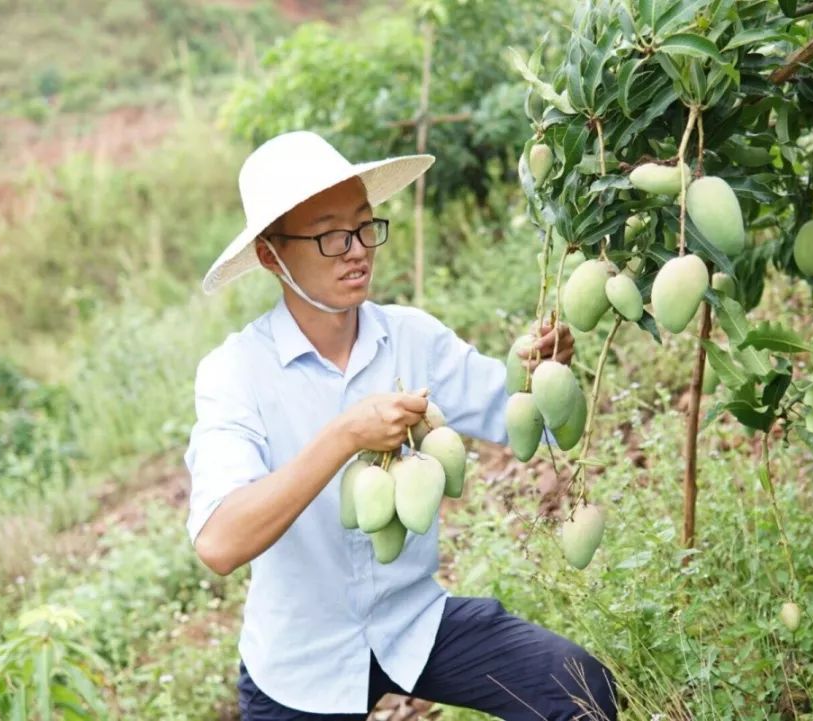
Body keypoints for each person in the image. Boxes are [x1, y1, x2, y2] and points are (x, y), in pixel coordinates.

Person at [184, 130, 619, 721]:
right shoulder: (236, 373)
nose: (358, 249)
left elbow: (534, 427)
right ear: (270, 254)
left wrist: (547, 375)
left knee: (576, 688)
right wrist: (344, 436)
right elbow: (219, 542)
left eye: (366, 226)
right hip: (298, 661)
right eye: (330, 235)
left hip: (412, 622)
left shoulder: (412, 337)